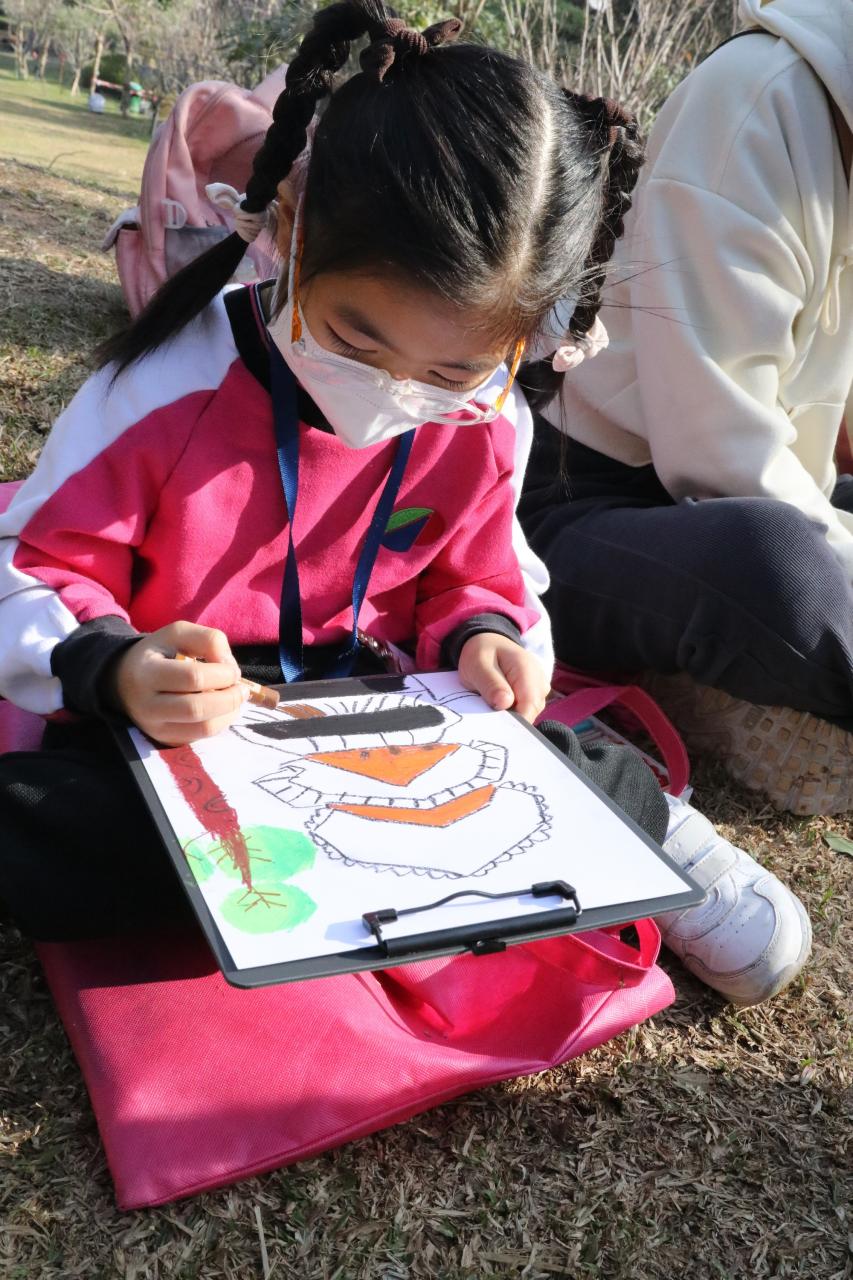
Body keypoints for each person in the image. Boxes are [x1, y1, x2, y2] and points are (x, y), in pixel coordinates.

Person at [0, 0, 807, 1004]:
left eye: (453, 370)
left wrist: (487, 636)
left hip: (392, 726)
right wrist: (115, 665)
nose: (395, 390)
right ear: (289, 228)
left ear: (528, 335)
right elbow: (31, 566)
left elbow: (486, 574)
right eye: (355, 338)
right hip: (188, 729)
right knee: (57, 835)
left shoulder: (487, 417)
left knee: (570, 766)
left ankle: (647, 823)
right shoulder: (161, 387)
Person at [519, 0, 853, 817]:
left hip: (757, 480)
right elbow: (722, 456)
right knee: (778, 571)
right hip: (585, 497)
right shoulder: (758, 100)